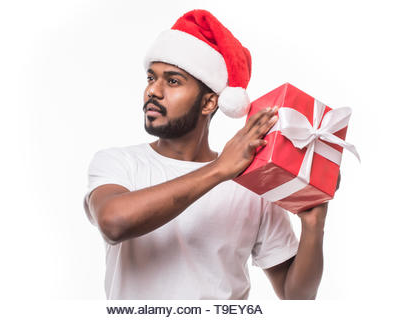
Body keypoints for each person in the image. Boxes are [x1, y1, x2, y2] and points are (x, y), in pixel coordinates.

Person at [83, 9, 329, 300]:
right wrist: (220, 169)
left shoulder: (251, 183)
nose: (153, 91)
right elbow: (114, 223)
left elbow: (296, 297)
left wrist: (313, 225)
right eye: (151, 78)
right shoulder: (118, 163)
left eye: (172, 81)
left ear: (209, 102)